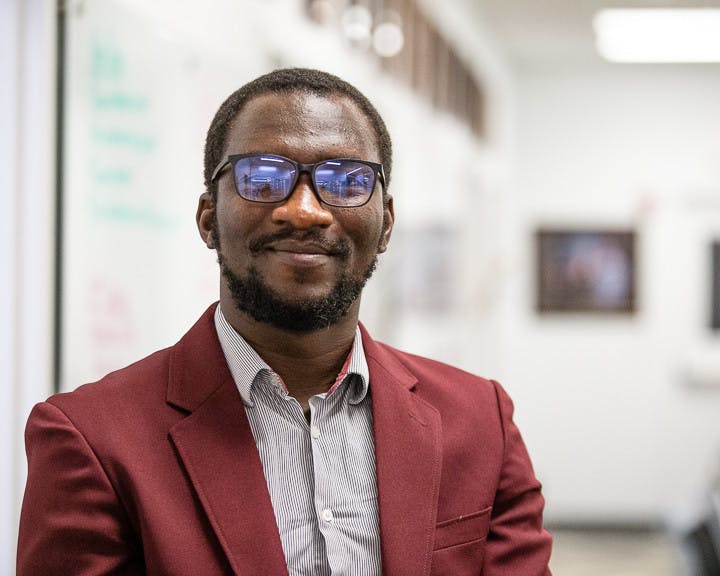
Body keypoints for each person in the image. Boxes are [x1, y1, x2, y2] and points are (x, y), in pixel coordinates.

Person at [17, 68, 552, 575]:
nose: (304, 210)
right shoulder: (92, 440)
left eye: (345, 182)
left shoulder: (482, 423)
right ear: (208, 219)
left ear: (386, 223)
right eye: (263, 178)